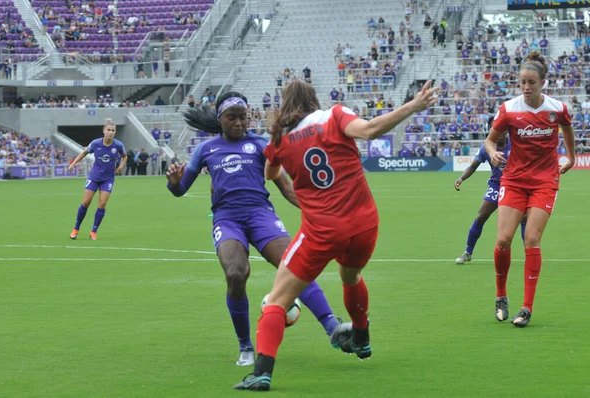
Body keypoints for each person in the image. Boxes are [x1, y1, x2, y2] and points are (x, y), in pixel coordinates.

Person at [234, 80, 438, 391]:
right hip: (363, 224)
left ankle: (261, 372)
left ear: (285, 104)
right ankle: (362, 338)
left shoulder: (280, 140)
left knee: (276, 300)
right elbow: (368, 131)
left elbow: (270, 174)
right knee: (351, 276)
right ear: (312, 99)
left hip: (321, 230)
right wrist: (412, 106)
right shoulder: (334, 116)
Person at [165, 91, 351, 367]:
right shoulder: (206, 150)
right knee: (236, 273)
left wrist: (318, 209)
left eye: (244, 117)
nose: (239, 123)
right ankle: (245, 346)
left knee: (296, 266)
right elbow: (180, 190)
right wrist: (174, 182)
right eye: (233, 118)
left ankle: (331, 327)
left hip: (260, 215)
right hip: (227, 219)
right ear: (221, 119)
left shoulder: (263, 145)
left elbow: (286, 186)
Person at [484, 51, 575, 327]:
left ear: (542, 82)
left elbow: (568, 128)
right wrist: (492, 153)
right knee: (503, 240)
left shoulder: (556, 108)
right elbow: (490, 140)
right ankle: (501, 296)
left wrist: (570, 157)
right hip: (513, 180)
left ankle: (526, 308)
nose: (526, 87)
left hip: (545, 181)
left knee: (532, 240)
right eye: (522, 82)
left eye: (531, 82)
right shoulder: (509, 109)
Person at [454, 129, 526, 264]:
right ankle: (468, 252)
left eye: (501, 132)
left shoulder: (516, 143)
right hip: (496, 186)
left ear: (506, 131)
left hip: (515, 186)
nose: (498, 136)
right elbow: (473, 166)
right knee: (481, 216)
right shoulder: (486, 148)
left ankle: (529, 253)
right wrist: (461, 178)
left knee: (523, 218)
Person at [68, 119, 126, 240]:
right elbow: (84, 153)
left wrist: (121, 166)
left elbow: (125, 156)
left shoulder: (118, 145)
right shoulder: (95, 143)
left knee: (102, 203)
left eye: (113, 130)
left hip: (108, 179)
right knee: (86, 202)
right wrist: (73, 163)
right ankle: (76, 229)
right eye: (108, 130)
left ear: (115, 132)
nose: (110, 132)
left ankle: (93, 231)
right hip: (94, 177)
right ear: (104, 131)